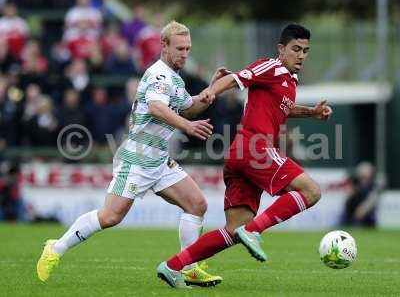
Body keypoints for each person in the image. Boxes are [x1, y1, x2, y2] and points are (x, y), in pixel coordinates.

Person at [36, 21, 224, 287]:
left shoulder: (175, 79)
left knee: (197, 204)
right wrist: (186, 126)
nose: (184, 53)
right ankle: (55, 248)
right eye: (179, 48)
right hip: (136, 159)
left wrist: (210, 91)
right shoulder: (159, 75)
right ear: (164, 46)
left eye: (188, 48)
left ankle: (189, 268)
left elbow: (189, 107)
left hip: (158, 159)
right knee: (110, 217)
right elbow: (158, 108)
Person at [157, 23, 333, 288]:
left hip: (241, 155)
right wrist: (212, 90)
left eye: (306, 51)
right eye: (296, 49)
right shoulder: (270, 67)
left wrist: (311, 113)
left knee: (233, 230)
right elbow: (237, 78)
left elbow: (281, 109)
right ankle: (254, 231)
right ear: (281, 49)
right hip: (256, 149)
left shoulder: (287, 80)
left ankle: (172, 266)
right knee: (311, 192)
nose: (301, 55)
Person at [341, 161, 380, 227]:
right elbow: (346, 198)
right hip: (351, 212)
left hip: (366, 215)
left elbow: (371, 200)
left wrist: (362, 209)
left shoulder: (373, 185)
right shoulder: (353, 182)